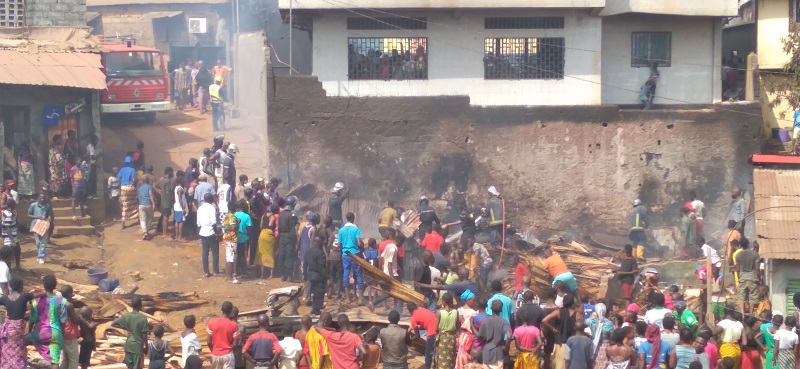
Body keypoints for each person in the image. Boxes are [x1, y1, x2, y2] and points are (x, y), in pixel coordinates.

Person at [0, 278, 35, 368]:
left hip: (8, 329)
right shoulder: (24, 296)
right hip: (18, 329)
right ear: (20, 286)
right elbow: (38, 295)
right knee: (18, 349)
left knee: (7, 349)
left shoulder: (4, 298)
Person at [542, 294, 579, 369]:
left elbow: (544, 320)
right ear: (572, 303)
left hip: (560, 343)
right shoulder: (576, 314)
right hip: (572, 343)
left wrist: (553, 329)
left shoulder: (558, 312)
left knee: (558, 364)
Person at [113, 296, 148, 369]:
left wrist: (126, 328)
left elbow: (114, 323)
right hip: (137, 344)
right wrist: (146, 346)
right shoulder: (143, 318)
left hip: (129, 343)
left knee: (129, 366)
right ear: (140, 305)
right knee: (137, 366)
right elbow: (145, 334)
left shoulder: (126, 316)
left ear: (131, 305)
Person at [339, 212, 365, 303]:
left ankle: (347, 298)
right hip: (355, 254)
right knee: (358, 274)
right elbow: (358, 243)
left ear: (346, 218)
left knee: (346, 274)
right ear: (353, 218)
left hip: (345, 254)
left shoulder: (341, 230)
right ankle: (360, 298)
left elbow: (339, 244)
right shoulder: (356, 229)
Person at [478, 300, 513, 369]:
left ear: (490, 308)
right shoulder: (504, 322)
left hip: (486, 353)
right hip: (497, 353)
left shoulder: (485, 321)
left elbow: (480, 337)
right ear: (501, 309)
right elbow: (509, 336)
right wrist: (505, 348)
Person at [208, 301, 241, 369]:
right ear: (231, 311)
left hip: (215, 355)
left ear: (221, 310)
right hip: (228, 355)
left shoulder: (211, 322)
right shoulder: (233, 325)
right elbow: (235, 344)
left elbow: (208, 342)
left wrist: (213, 351)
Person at [409, 302, 438, 369]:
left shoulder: (413, 318)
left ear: (409, 311)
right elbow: (426, 323)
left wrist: (411, 341)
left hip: (432, 333)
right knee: (437, 353)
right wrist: (415, 327)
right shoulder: (424, 309)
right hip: (439, 329)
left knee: (428, 355)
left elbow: (417, 336)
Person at [277, 196, 299, 282]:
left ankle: (283, 275)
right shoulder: (292, 215)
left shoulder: (281, 213)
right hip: (289, 237)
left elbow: (279, 227)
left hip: (282, 236)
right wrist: (295, 241)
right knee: (289, 256)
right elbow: (292, 229)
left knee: (282, 255)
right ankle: (289, 276)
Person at [734, 240, 759, 316]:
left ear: (740, 245)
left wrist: (739, 278)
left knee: (741, 296)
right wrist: (758, 277)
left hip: (742, 278)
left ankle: (742, 314)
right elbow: (757, 268)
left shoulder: (738, 255)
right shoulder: (755, 254)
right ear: (748, 244)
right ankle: (751, 314)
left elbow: (737, 269)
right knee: (752, 296)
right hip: (752, 277)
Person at [197, 192, 220, 277]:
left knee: (205, 253)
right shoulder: (212, 208)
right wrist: (216, 233)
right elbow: (213, 222)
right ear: (211, 199)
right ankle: (215, 271)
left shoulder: (200, 208)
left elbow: (198, 223)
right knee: (215, 252)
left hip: (202, 232)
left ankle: (206, 271)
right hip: (211, 232)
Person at [305, 235, 328, 315]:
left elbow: (305, 264)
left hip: (310, 275)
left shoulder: (308, 251)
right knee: (319, 294)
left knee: (313, 292)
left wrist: (305, 276)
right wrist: (327, 276)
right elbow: (321, 267)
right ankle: (316, 310)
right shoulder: (320, 253)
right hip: (318, 276)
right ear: (319, 243)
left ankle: (313, 308)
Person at [435, 292, 459, 369]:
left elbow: (436, 329)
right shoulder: (456, 312)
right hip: (452, 339)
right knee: (451, 358)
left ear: (443, 301)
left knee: (441, 359)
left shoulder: (439, 312)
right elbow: (458, 326)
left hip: (442, 338)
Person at [587, 303, 613, 369]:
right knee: (603, 365)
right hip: (604, 347)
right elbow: (612, 337)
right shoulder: (608, 324)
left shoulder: (590, 321)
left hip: (592, 345)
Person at [257, 204, 279, 281]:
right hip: (269, 234)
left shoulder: (263, 215)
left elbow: (261, 225)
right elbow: (270, 224)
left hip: (262, 234)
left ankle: (262, 275)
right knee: (270, 253)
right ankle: (271, 274)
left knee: (262, 253)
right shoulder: (272, 217)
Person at [29, 193, 51, 264]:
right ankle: (40, 256)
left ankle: (41, 256)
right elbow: (28, 214)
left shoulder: (47, 206)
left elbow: (49, 215)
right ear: (38, 198)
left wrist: (49, 218)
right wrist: (37, 217)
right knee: (38, 242)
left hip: (43, 225)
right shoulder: (33, 205)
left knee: (43, 242)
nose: (42, 199)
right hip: (35, 225)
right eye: (41, 198)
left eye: (43, 198)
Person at [222, 202, 240, 284]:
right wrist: (238, 222)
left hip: (226, 237)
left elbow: (224, 226)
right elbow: (232, 227)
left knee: (228, 257)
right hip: (232, 238)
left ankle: (228, 275)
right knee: (231, 258)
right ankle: (229, 276)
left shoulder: (226, 215)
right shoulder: (232, 217)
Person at [155, 167, 175, 239]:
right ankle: (165, 233)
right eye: (172, 172)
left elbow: (155, 186)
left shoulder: (162, 180)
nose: (173, 174)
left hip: (163, 201)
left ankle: (164, 232)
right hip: (167, 202)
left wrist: (159, 192)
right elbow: (168, 193)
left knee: (164, 217)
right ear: (169, 172)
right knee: (166, 218)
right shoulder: (167, 181)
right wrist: (172, 202)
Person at [234, 200, 252, 277]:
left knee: (236, 254)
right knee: (243, 255)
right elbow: (249, 228)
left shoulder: (233, 215)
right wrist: (251, 238)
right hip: (244, 238)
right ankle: (243, 271)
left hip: (235, 237)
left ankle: (236, 270)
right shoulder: (247, 216)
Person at [137, 175, 156, 240]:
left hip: (141, 204)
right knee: (149, 218)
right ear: (148, 180)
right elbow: (150, 194)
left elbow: (138, 198)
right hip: (148, 204)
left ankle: (144, 232)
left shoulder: (139, 188)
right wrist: (153, 204)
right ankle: (147, 231)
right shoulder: (149, 186)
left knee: (142, 219)